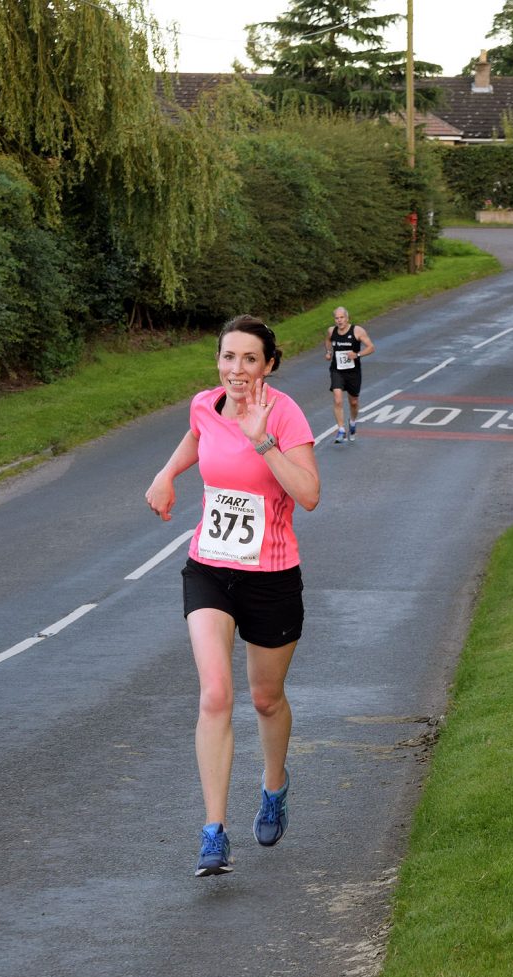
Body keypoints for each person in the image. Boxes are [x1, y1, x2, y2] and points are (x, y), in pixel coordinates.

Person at [145, 315, 320, 877]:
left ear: (269, 364)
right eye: (228, 358)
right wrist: (167, 473)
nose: (236, 370)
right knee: (215, 694)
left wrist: (263, 442)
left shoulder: (285, 414)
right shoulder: (206, 403)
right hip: (210, 570)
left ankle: (274, 786)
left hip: (272, 576)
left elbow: (310, 495)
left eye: (249, 359)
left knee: (265, 698)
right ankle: (214, 832)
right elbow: (197, 435)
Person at [324, 306, 376, 444]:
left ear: (347, 318)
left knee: (353, 402)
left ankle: (352, 422)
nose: (339, 321)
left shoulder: (357, 331)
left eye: (342, 318)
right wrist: (329, 352)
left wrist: (357, 354)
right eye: (337, 318)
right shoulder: (331, 331)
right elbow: (328, 340)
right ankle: (341, 429)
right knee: (338, 399)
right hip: (337, 370)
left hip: (353, 371)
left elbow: (371, 347)